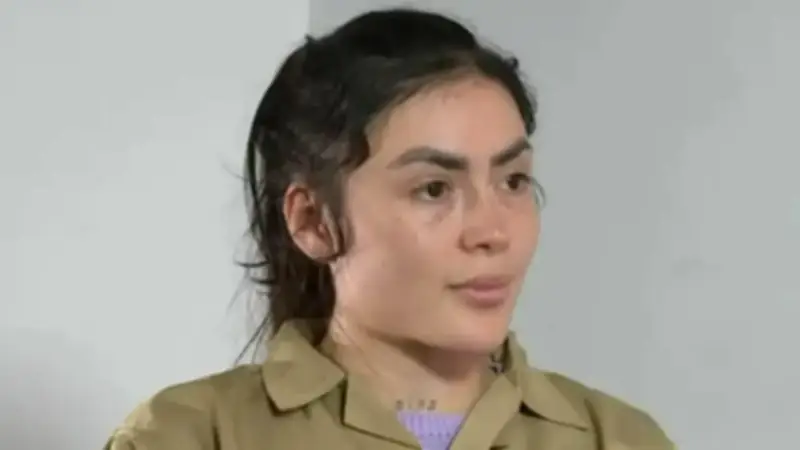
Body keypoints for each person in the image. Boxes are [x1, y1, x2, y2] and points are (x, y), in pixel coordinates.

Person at [104, 7, 674, 450]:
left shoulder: (619, 439)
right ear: (313, 222)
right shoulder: (188, 437)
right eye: (434, 189)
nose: (493, 232)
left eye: (514, 181)